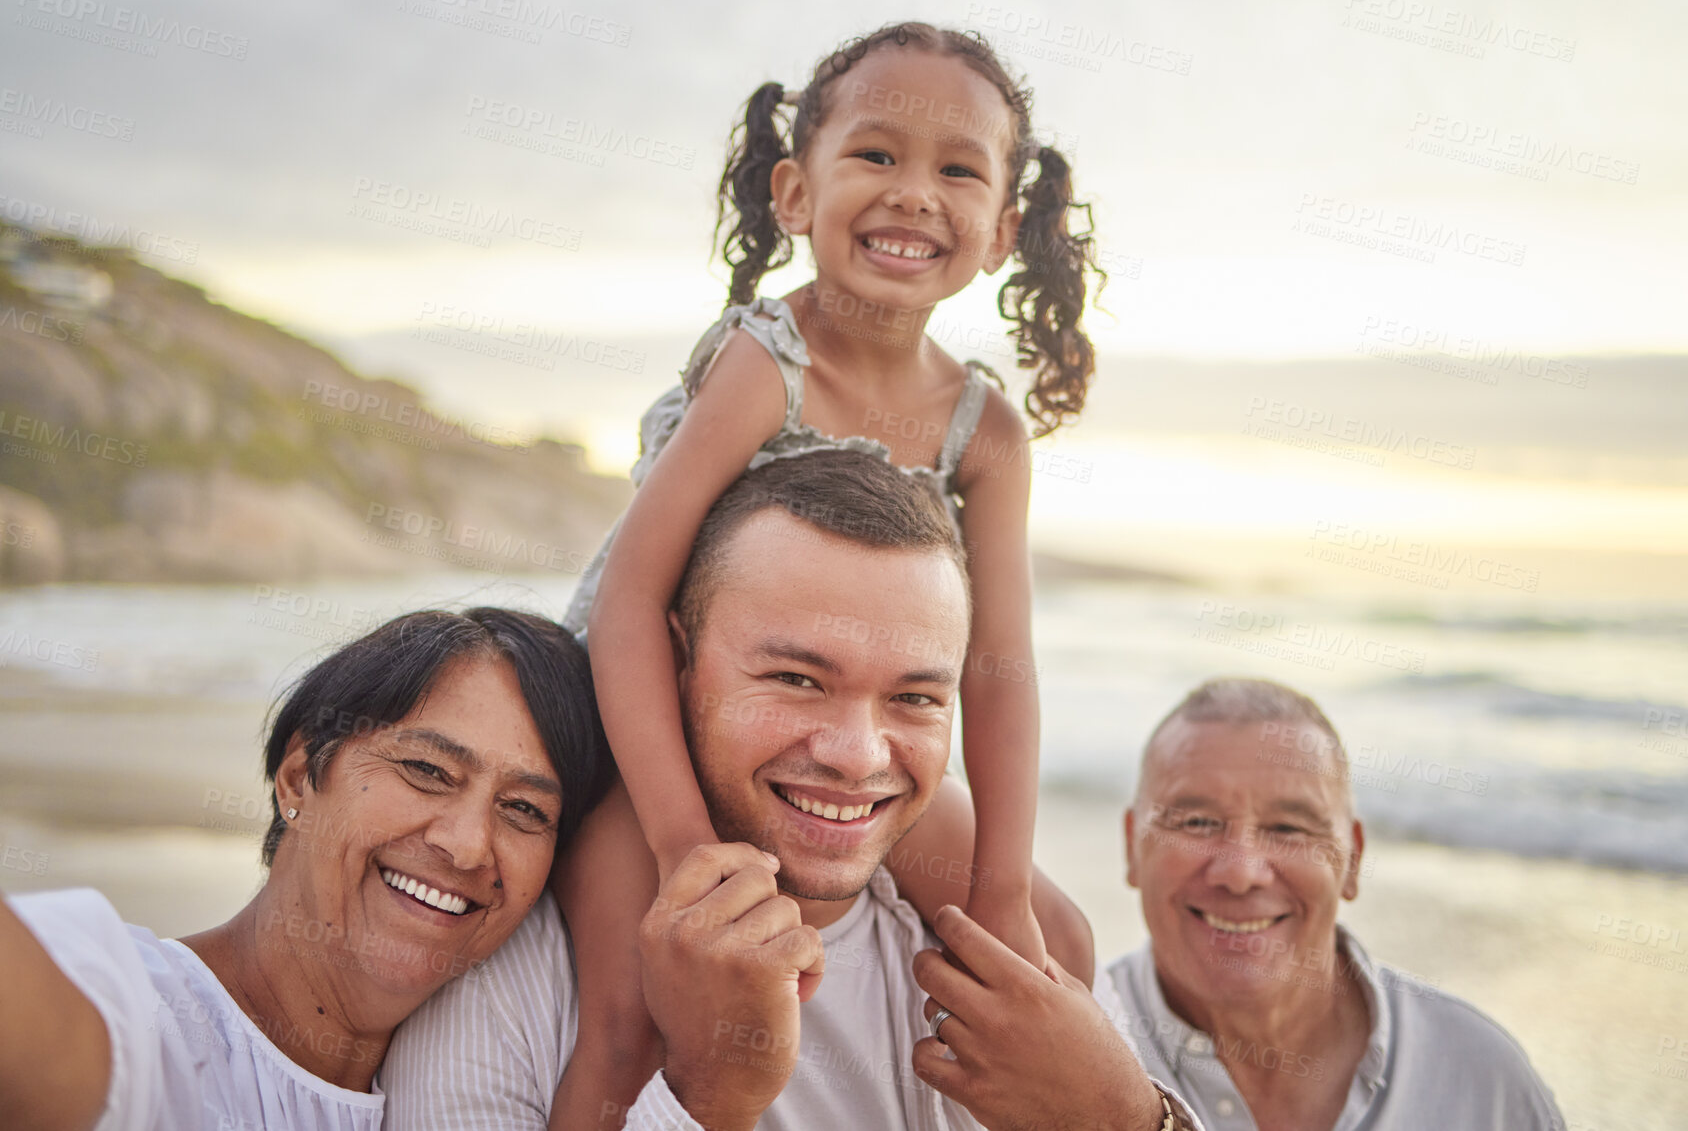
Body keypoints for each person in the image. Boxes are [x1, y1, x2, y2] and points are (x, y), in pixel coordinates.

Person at [553, 20, 1105, 1127]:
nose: (913, 193)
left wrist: (998, 880)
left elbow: (995, 666)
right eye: (876, 155)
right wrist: (680, 841)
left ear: (1002, 230)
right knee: (625, 1014)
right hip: (643, 710)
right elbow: (627, 606)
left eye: (957, 169)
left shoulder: (985, 430)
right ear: (796, 193)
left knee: (1062, 948)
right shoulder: (768, 363)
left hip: (830, 713)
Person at [379, 451, 1197, 1131]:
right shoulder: (505, 993)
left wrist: (1126, 1117)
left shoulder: (1002, 989)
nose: (855, 753)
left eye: (914, 697)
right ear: (677, 663)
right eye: (798, 678)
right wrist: (707, 1094)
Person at [0, 608, 613, 1131]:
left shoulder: (494, 1092)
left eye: (526, 810)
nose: (469, 845)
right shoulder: (139, 1016)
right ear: (298, 775)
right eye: (426, 770)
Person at [1109, 677, 1565, 1130]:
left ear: (1352, 861)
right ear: (1133, 846)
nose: (1241, 873)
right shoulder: (1067, 1060)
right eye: (1197, 822)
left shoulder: (1480, 1076)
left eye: (1289, 829)